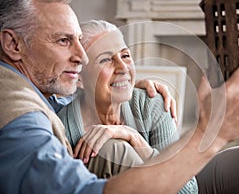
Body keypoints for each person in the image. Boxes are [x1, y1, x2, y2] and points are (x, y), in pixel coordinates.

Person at [0, 0, 239, 194]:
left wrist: (125, 90)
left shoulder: (145, 100)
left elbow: (189, 185)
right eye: (64, 41)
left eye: (127, 56)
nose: (79, 56)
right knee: (118, 150)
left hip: (182, 176)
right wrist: (212, 131)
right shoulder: (29, 115)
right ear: (13, 44)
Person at [58, 20, 198, 193]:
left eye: (125, 56)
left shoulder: (151, 103)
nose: (123, 68)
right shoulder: (62, 128)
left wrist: (135, 139)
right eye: (106, 59)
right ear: (79, 78)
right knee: (114, 149)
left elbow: (189, 190)